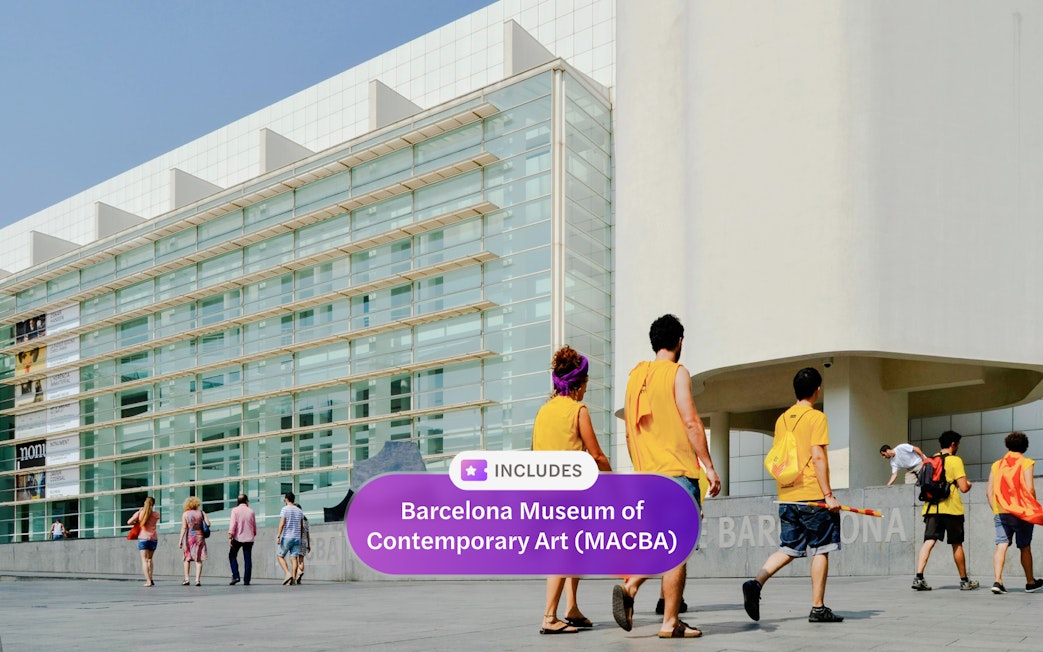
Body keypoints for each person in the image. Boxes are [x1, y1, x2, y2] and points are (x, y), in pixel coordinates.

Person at [614, 314, 721, 639]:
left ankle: (637, 591)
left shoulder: (635, 378)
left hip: (646, 475)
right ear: (679, 342)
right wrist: (709, 466)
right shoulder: (676, 372)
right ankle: (666, 618)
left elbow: (631, 432)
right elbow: (691, 421)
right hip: (676, 472)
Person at [742, 367, 845, 624]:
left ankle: (756, 583)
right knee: (821, 548)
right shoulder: (816, 417)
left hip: (787, 495)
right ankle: (818, 608)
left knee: (789, 548)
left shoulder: (782, 419)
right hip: (812, 495)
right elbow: (818, 456)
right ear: (817, 390)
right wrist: (828, 495)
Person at [532, 346, 612, 635]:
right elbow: (598, 455)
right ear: (578, 385)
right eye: (587, 384)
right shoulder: (578, 410)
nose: (587, 390)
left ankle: (572, 608)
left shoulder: (543, 413)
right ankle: (550, 617)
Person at [911, 430, 979, 591]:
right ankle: (964, 581)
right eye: (958, 445)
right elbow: (963, 488)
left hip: (931, 508)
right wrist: (969, 484)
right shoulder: (955, 460)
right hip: (952, 509)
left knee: (928, 541)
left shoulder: (930, 460)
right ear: (953, 444)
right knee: (956, 544)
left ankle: (918, 577)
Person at [985, 431, 1043, 594]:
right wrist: (1032, 508)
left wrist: (996, 509)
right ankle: (1030, 583)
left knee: (1001, 544)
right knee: (1024, 546)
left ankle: (998, 581)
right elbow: (1030, 488)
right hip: (1022, 511)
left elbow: (989, 492)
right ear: (1024, 447)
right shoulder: (1026, 462)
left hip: (1001, 511)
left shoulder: (997, 465)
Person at [128, 496, 160, 586]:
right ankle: (151, 578)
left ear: (145, 503)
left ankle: (148, 581)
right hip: (153, 538)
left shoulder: (140, 513)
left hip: (143, 538)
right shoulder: (156, 514)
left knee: (144, 560)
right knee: (150, 559)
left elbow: (129, 522)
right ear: (153, 504)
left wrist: (138, 514)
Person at [178, 496, 209, 586]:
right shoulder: (201, 513)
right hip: (200, 537)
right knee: (198, 558)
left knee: (187, 558)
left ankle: (187, 579)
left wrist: (180, 540)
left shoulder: (185, 514)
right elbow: (208, 524)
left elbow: (184, 527)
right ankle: (197, 580)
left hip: (189, 538)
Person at [275, 492, 305, 585]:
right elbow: (301, 526)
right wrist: (299, 537)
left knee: (279, 556)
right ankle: (294, 578)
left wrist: (278, 535)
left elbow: (282, 523)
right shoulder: (299, 511)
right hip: (297, 537)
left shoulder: (285, 509)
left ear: (286, 499)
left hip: (287, 536)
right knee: (294, 558)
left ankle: (288, 574)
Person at [228, 493, 257, 586]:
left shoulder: (235, 510)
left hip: (237, 537)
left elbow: (233, 524)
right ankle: (246, 580)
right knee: (247, 559)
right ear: (246, 501)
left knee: (232, 555)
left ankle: (236, 575)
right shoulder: (251, 511)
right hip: (249, 538)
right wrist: (253, 534)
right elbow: (254, 525)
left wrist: (230, 536)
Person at [294, 502, 311, 584]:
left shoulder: (297, 519)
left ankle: (299, 572)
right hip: (304, 542)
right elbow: (308, 533)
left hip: (297, 540)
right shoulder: (306, 520)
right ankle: (299, 574)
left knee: (294, 559)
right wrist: (309, 544)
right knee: (301, 559)